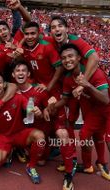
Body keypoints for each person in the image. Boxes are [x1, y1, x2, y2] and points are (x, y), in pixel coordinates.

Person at [47, 43, 110, 190]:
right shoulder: (68, 79)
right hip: (97, 108)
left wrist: (86, 85)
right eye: (64, 58)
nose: (67, 60)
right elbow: (65, 100)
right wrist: (50, 107)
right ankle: (87, 166)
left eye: (70, 56)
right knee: (84, 134)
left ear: (79, 58)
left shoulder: (94, 73)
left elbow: (106, 99)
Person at [16, 21, 77, 190]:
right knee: (38, 126)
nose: (29, 37)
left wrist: (49, 87)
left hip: (53, 93)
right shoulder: (25, 49)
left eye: (32, 34)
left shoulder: (47, 47)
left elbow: (59, 69)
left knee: (62, 131)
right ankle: (44, 152)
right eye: (26, 34)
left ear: (39, 33)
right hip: (38, 92)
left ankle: (69, 173)